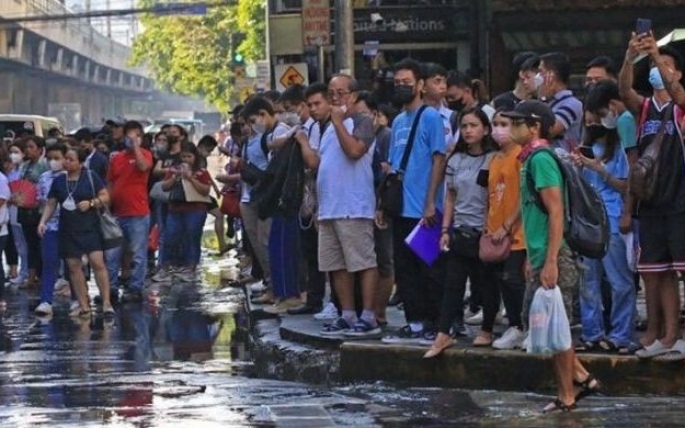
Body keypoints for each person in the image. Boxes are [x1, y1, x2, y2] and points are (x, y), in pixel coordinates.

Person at [502, 100, 599, 412]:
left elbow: (556, 212)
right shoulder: (529, 159)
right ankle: (578, 380)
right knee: (546, 324)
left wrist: (551, 260)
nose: (511, 127)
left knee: (555, 327)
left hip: (558, 255)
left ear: (535, 127)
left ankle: (570, 391)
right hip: (543, 251)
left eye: (518, 123)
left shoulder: (541, 159)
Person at [619, 34, 685, 359]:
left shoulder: (680, 106)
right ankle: (668, 337)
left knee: (682, 268)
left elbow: (676, 92)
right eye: (657, 66)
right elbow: (623, 91)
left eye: (667, 67)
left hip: (680, 201)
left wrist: (657, 55)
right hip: (652, 202)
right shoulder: (644, 109)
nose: (658, 71)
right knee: (660, 272)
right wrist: (630, 58)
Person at [379, 59, 446, 344]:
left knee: (429, 268)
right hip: (400, 207)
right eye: (397, 83)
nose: (401, 87)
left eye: (407, 82)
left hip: (424, 208)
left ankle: (434, 323)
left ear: (420, 85)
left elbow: (439, 158)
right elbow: (393, 167)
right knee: (405, 270)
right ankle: (415, 322)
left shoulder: (430, 117)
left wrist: (431, 201)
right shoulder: (397, 121)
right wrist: (382, 205)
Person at [311, 74, 379, 337]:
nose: (336, 98)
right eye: (331, 93)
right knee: (336, 265)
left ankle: (369, 316)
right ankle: (347, 314)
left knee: (362, 261)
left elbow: (354, 151)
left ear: (353, 95)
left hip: (353, 205)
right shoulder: (326, 127)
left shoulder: (361, 121)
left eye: (341, 92)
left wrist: (339, 121)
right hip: (330, 207)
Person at [424, 108, 495, 358]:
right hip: (460, 230)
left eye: (473, 125)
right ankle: (444, 333)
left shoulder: (494, 159)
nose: (468, 131)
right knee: (453, 283)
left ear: (485, 129)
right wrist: (445, 229)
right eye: (464, 126)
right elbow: (451, 197)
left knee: (485, 283)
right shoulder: (455, 161)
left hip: (485, 231)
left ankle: (487, 328)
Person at [571, 112, 636, 354]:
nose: (592, 124)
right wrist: (576, 165)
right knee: (588, 280)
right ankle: (591, 332)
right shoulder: (585, 147)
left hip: (612, 215)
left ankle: (622, 334)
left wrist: (598, 168)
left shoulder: (619, 149)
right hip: (588, 220)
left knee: (619, 280)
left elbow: (625, 185)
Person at [38, 147, 114, 318]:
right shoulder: (59, 181)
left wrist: (92, 203)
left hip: (90, 227)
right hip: (68, 228)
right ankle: (83, 305)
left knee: (97, 262)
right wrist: (43, 221)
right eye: (65, 158)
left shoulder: (90, 176)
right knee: (73, 267)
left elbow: (105, 196)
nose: (66, 161)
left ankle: (107, 302)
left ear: (80, 162)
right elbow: (51, 203)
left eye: (71, 159)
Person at [485, 111, 527, 350]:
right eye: (496, 124)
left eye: (505, 124)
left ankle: (522, 326)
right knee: (502, 279)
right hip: (495, 232)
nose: (499, 129)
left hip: (516, 231)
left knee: (514, 279)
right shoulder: (495, 159)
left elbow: (524, 194)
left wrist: (508, 225)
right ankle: (514, 325)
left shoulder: (521, 156)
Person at [105, 121, 153, 303]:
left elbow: (143, 167)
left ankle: (135, 287)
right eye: (129, 136)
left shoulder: (146, 154)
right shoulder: (116, 159)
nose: (132, 139)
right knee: (112, 254)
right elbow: (110, 183)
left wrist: (136, 147)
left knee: (138, 253)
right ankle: (111, 288)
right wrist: (107, 207)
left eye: (136, 136)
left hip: (138, 213)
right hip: (117, 213)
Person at [160, 143, 211, 281]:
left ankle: (191, 267)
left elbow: (205, 190)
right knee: (170, 236)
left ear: (195, 157)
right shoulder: (174, 170)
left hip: (195, 209)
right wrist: (174, 177)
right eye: (183, 156)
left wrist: (191, 178)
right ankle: (166, 267)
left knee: (192, 237)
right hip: (175, 208)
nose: (186, 159)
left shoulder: (201, 172)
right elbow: (164, 187)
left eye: (189, 156)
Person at [34, 143, 68, 316]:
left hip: (70, 227)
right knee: (49, 262)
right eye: (50, 158)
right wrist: (43, 221)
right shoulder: (44, 177)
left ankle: (78, 299)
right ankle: (46, 300)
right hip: (51, 226)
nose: (53, 162)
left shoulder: (71, 176)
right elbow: (43, 202)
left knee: (73, 264)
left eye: (57, 158)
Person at [15, 136, 49, 288]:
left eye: (31, 147)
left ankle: (42, 277)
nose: (28, 150)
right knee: (30, 244)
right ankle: (31, 276)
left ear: (41, 150)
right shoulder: (24, 166)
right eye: (26, 147)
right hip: (24, 210)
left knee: (41, 244)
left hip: (39, 210)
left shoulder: (45, 166)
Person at [536, 52, 584, 154]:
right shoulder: (548, 102)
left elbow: (548, 131)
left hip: (563, 165)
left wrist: (542, 98)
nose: (537, 76)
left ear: (551, 75)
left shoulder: (572, 104)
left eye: (541, 72)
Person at [584, 80, 639, 163]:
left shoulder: (626, 120)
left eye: (602, 114)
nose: (602, 120)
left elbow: (631, 161)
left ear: (612, 103)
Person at [6, 141, 28, 286]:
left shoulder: (25, 170)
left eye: (16, 151)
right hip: (11, 211)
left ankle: (28, 271)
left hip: (24, 209)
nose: (13, 155)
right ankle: (23, 272)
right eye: (11, 152)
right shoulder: (9, 172)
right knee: (19, 243)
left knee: (26, 242)